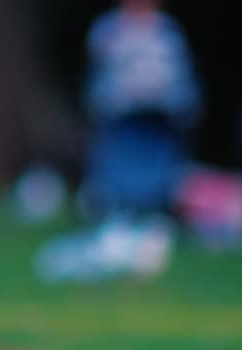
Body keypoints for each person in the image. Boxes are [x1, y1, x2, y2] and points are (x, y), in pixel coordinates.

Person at [83, 0, 200, 217]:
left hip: (159, 119)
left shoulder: (169, 32)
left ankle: (153, 213)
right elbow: (97, 78)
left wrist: (180, 107)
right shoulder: (107, 30)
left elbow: (182, 80)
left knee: (157, 174)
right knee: (119, 173)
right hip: (120, 119)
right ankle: (117, 213)